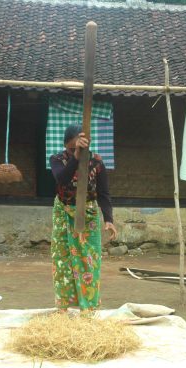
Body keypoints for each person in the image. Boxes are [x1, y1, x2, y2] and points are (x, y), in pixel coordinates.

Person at [49, 124, 117, 312]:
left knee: (89, 259)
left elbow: (103, 193)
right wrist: (75, 157)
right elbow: (62, 179)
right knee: (62, 260)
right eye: (72, 148)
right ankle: (64, 307)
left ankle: (88, 307)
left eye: (80, 148)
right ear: (65, 146)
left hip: (88, 214)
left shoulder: (96, 162)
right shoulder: (57, 159)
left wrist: (108, 219)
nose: (76, 152)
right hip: (63, 212)